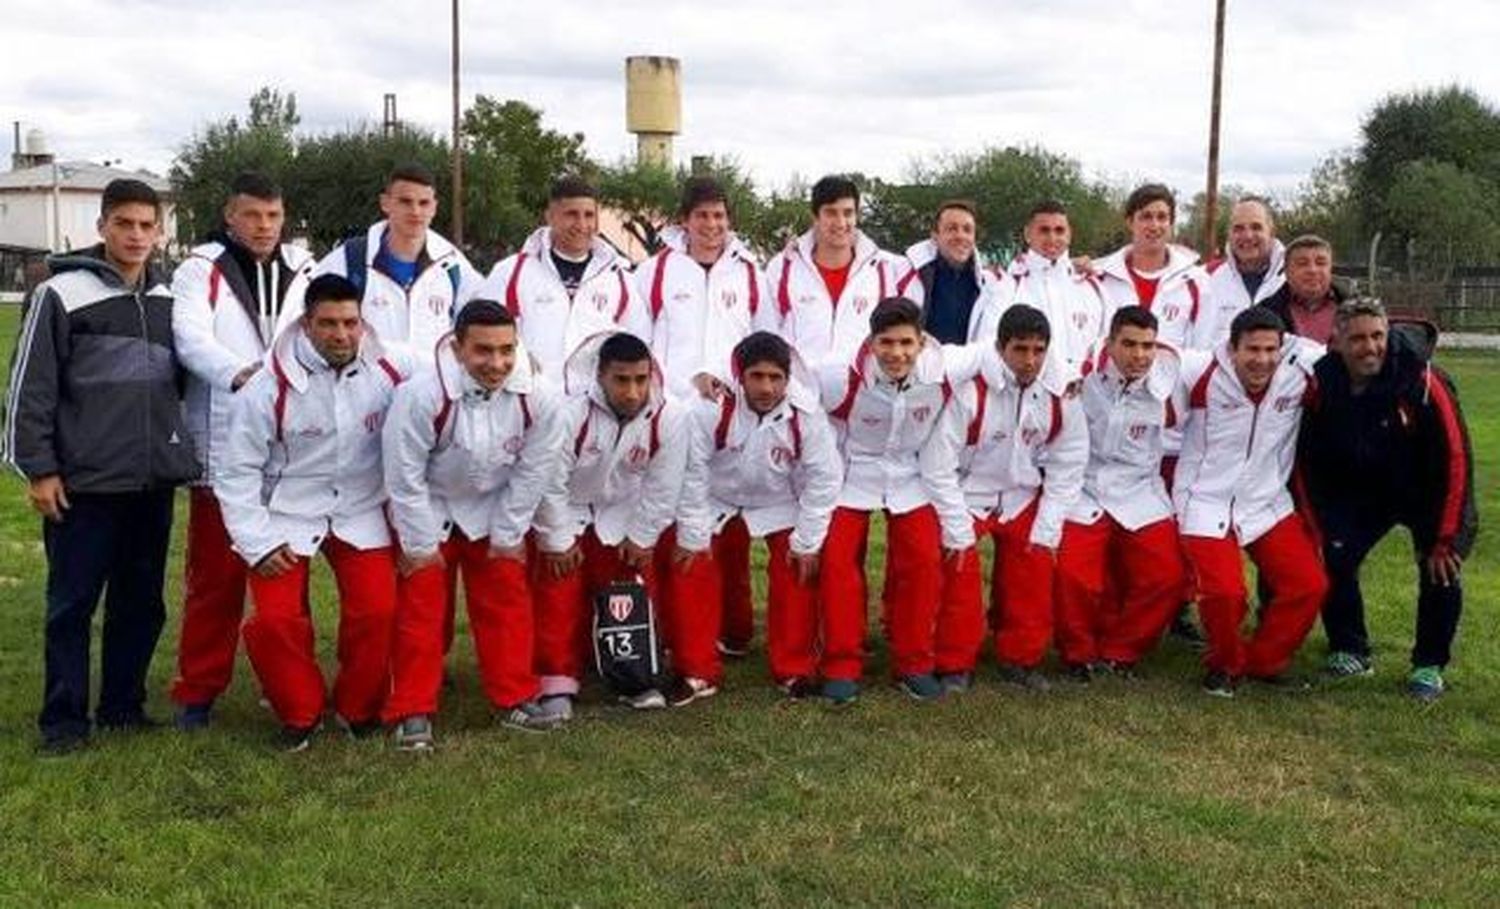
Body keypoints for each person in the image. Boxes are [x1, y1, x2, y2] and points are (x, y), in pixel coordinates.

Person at [4, 179, 201, 755]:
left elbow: (181, 386)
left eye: (147, 225)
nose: (136, 235)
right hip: (83, 483)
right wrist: (39, 469)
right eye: (124, 224)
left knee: (140, 603)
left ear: (160, 231)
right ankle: (63, 722)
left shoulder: (170, 300)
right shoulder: (61, 294)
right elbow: (29, 389)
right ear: (102, 227)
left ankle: (122, 707)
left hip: (151, 481)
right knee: (72, 605)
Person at [216, 274, 412, 750]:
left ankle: (357, 708)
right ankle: (299, 711)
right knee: (275, 621)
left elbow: (455, 362)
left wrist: (522, 368)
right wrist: (257, 543)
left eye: (350, 322)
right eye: (328, 324)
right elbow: (236, 472)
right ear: (306, 324)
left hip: (361, 509)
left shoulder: (391, 370)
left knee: (379, 611)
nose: (342, 335)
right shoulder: (268, 386)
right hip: (285, 512)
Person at [380, 300, 566, 749]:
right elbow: (403, 476)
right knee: (422, 606)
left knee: (506, 600)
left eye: (507, 350)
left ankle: (515, 697)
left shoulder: (539, 397)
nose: (497, 363)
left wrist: (508, 533)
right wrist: (419, 544)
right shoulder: (422, 395)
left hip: (494, 506)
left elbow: (534, 471)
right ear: (457, 347)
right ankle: (413, 708)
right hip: (431, 505)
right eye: (483, 351)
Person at [169, 171, 315, 729]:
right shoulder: (200, 268)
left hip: (292, 450)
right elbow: (190, 338)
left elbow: (320, 333)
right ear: (230, 215)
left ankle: (285, 684)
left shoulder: (302, 267)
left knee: (288, 578)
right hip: (223, 444)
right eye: (252, 215)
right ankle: (197, 689)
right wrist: (242, 376)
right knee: (215, 578)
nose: (263, 226)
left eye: (273, 216)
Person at [1299, 299, 1476, 701]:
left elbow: (1456, 457)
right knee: (1335, 555)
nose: (1370, 347)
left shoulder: (1424, 378)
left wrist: (1446, 535)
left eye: (1377, 336)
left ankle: (1429, 666)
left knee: (1440, 567)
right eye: (1358, 338)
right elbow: (1310, 456)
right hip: (1367, 489)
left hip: (1427, 490)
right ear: (1337, 342)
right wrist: (1320, 520)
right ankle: (1350, 650)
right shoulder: (1323, 382)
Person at [638, 177, 776, 655]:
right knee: (679, 525)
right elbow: (640, 345)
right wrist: (676, 389)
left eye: (719, 216)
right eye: (702, 216)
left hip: (733, 418)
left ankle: (734, 630)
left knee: (731, 531)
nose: (712, 225)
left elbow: (765, 344)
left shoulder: (751, 273)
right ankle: (677, 630)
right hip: (672, 415)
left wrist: (735, 390)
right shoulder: (655, 272)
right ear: (685, 221)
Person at [816, 298, 974, 704]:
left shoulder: (945, 369)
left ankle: (914, 663)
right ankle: (841, 664)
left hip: (910, 475)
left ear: (922, 342)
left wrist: (1065, 378)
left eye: (906, 343)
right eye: (886, 343)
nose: (897, 353)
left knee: (923, 562)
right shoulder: (839, 376)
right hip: (852, 474)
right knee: (837, 563)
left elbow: (995, 351)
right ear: (871, 343)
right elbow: (793, 384)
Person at [531, 332, 692, 716]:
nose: (633, 392)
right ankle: (557, 681)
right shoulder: (568, 412)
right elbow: (549, 480)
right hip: (567, 506)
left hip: (623, 508)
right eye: (621, 380)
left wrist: (642, 536)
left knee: (627, 591)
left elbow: (664, 484)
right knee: (559, 590)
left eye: (641, 379)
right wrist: (557, 539)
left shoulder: (670, 414)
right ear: (600, 375)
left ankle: (634, 677)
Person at [1172, 305, 1329, 697]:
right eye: (1251, 350)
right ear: (1232, 348)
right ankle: (1224, 664)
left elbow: (1359, 356)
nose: (1261, 360)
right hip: (1205, 501)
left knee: (1308, 584)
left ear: (1282, 347)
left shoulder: (1302, 366)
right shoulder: (1200, 369)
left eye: (1269, 350)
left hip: (1267, 501)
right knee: (1226, 594)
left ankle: (1264, 660)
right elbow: (1145, 357)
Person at [676, 332, 842, 699]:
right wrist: (692, 534)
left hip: (778, 500)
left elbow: (824, 480)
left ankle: (794, 668)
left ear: (788, 377)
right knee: (692, 565)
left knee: (798, 568)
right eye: (757, 377)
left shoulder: (807, 414)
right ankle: (697, 668)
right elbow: (692, 472)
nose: (766, 387)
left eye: (775, 378)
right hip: (715, 498)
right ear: (740, 375)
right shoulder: (709, 406)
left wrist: (807, 542)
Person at [945, 305, 1088, 691]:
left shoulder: (1062, 393)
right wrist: (955, 524)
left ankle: (1020, 658)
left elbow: (1069, 462)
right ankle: (955, 661)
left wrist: (1049, 526)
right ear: (1000, 347)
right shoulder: (969, 390)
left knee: (1035, 565)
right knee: (958, 567)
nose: (1030, 360)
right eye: (1020, 349)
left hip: (1023, 494)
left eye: (1038, 350)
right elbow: (939, 463)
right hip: (967, 493)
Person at [1054, 306, 1187, 679]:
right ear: (1110, 343)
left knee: (1167, 576)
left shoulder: (1174, 377)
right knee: (1073, 575)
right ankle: (1077, 654)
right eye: (1128, 344)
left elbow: (1232, 355)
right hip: (1085, 488)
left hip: (1140, 489)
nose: (1139, 355)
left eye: (1148, 346)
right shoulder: (1078, 373)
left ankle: (1121, 651)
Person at [480, 176, 650, 379]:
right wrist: (521, 366)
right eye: (571, 214)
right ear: (550, 216)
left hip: (591, 406)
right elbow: (481, 336)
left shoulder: (620, 279)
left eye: (589, 215)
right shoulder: (510, 273)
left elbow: (640, 343)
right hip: (529, 402)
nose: (582, 224)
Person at [314, 162, 482, 362]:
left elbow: (482, 327)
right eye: (405, 201)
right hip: (367, 389)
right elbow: (309, 324)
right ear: (385, 203)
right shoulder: (348, 261)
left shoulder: (453, 265)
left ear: (435, 207)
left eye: (424, 203)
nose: (416, 211)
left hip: (431, 389)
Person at [765, 175, 907, 369]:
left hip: (861, 394)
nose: (841, 223)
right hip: (800, 394)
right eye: (831, 213)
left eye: (848, 213)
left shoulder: (885, 268)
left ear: (857, 216)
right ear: (815, 217)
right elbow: (766, 334)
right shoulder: (782, 267)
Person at [1000, 200, 1109, 377]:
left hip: (1083, 399)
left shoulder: (1092, 288)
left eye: (1059, 230)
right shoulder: (1007, 287)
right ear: (1028, 234)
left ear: (1069, 234)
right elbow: (992, 346)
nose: (1052, 238)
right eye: (1044, 230)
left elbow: (1107, 346)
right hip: (1027, 398)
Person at [894, 200, 1004, 346]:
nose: (960, 236)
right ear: (935, 236)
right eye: (952, 229)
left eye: (967, 230)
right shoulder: (906, 275)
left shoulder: (989, 285)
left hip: (967, 367)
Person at [1204, 197, 1286, 344]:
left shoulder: (1293, 278)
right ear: (1229, 234)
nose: (1247, 236)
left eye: (1256, 227)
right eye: (1238, 228)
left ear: (1272, 232)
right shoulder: (1205, 278)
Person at [1263, 234, 1348, 345]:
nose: (1312, 270)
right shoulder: (1265, 314)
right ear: (1287, 272)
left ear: (1330, 269)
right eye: (1302, 264)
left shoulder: (1355, 309)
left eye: (1320, 263)